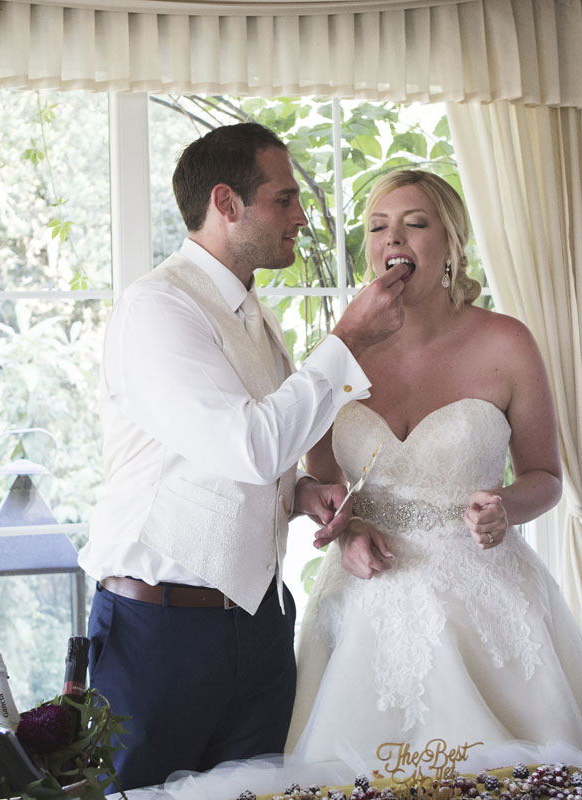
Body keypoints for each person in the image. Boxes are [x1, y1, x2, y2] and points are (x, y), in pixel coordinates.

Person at [79, 122, 411, 790]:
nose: (301, 215)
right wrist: (348, 338)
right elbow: (249, 446)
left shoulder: (254, 315)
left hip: (259, 629)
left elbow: (237, 459)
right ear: (226, 204)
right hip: (159, 631)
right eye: (284, 199)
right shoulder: (159, 309)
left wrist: (297, 496)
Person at [285, 170, 582, 771]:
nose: (392, 238)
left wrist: (507, 506)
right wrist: (346, 532)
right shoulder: (342, 353)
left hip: (485, 598)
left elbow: (546, 477)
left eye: (415, 224)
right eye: (378, 227)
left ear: (452, 244)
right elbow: (319, 481)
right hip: (361, 608)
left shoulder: (507, 343)